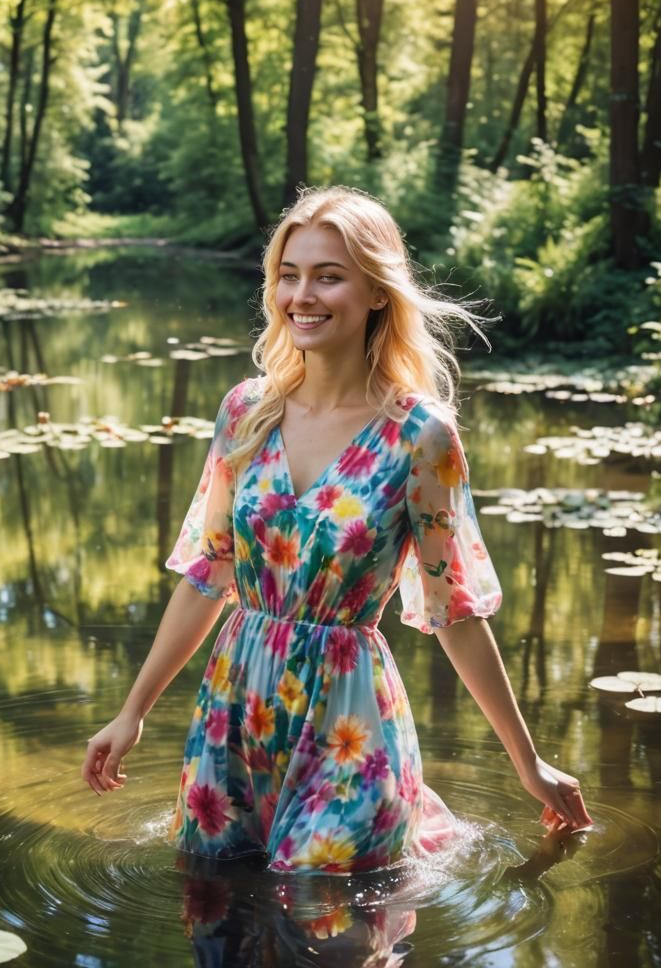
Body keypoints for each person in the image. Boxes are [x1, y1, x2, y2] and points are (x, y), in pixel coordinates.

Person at [81, 185, 592, 874]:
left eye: (329, 275)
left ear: (378, 291)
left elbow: (454, 611)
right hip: (237, 709)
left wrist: (527, 763)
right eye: (289, 275)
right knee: (219, 899)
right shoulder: (244, 413)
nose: (303, 295)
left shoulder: (421, 437)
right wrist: (132, 711)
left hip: (349, 718)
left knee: (323, 907)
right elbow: (209, 576)